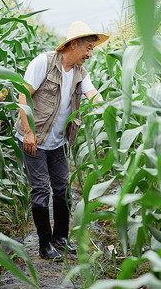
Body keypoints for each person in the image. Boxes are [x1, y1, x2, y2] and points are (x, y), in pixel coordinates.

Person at [15, 21, 109, 260]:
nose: (90, 53)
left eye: (92, 49)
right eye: (87, 47)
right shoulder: (44, 62)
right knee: (40, 191)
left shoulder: (79, 73)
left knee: (62, 190)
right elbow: (23, 95)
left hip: (57, 141)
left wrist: (111, 111)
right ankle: (45, 245)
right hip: (34, 138)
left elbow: (93, 96)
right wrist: (28, 132)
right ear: (73, 44)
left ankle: (60, 237)